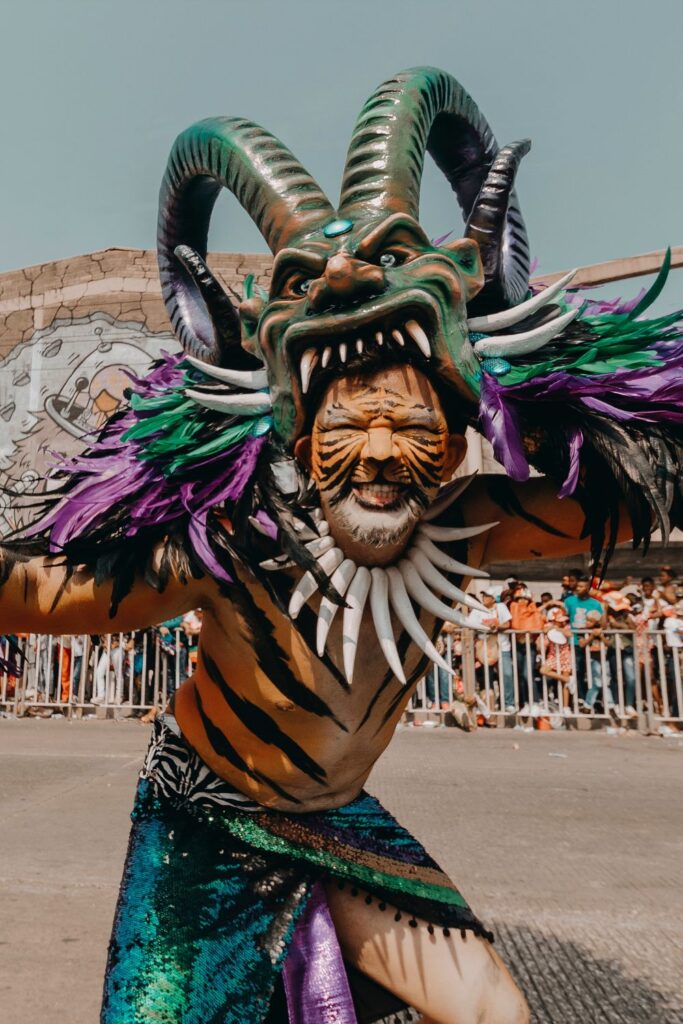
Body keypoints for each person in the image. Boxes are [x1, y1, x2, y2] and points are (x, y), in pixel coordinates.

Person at [2, 65, 683, 1024]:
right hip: (207, 821)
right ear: (292, 425)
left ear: (453, 430)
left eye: (404, 427)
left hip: (331, 818)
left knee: (491, 1009)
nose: (373, 453)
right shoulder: (236, 538)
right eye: (345, 426)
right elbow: (46, 597)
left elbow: (619, 491)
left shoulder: (470, 521)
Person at [465, 588, 515, 711]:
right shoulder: (477, 609)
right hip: (484, 649)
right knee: (487, 678)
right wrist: (484, 627)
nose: (484, 598)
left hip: (502, 646)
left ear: (493, 599)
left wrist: (497, 626)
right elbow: (469, 625)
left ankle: (509, 703)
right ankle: (488, 707)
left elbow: (508, 624)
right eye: (483, 595)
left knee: (507, 674)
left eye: (487, 596)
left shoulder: (501, 607)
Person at [564, 576, 606, 701]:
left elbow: (603, 624)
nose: (578, 589)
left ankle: (594, 700)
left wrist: (596, 623)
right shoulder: (569, 601)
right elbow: (563, 617)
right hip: (575, 642)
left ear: (588, 588)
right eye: (577, 586)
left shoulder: (595, 603)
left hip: (592, 643)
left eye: (581, 586)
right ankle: (581, 699)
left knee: (596, 674)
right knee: (577, 672)